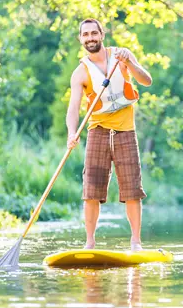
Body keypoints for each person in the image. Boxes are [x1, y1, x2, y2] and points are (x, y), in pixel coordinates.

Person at [65, 18, 152, 251]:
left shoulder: (121, 56)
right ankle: (90, 243)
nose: (90, 38)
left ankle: (135, 242)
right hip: (98, 131)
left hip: (125, 130)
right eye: (86, 35)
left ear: (102, 35)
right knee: (91, 190)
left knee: (132, 190)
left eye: (94, 33)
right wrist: (71, 133)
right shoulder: (79, 73)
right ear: (80, 39)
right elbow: (73, 108)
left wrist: (130, 63)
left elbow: (147, 80)